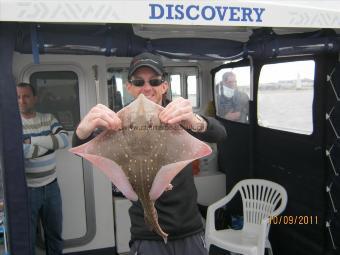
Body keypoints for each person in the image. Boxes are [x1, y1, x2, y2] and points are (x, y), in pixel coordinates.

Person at [72, 52, 227, 255]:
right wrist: (81, 131)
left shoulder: (178, 118)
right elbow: (82, 147)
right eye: (138, 82)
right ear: (129, 87)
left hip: (188, 228)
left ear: (164, 86)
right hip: (145, 233)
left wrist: (197, 121)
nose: (147, 88)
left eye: (154, 81)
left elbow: (220, 133)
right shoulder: (117, 123)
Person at [17, 82, 69, 255]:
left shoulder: (48, 118)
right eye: (18, 97)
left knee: (54, 234)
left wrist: (31, 140)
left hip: (51, 187)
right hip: (27, 190)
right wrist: (49, 143)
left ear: (35, 98)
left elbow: (63, 140)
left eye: (26, 96)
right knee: (27, 238)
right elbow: (22, 153)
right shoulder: (12, 124)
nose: (22, 101)